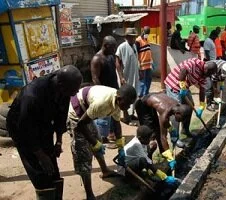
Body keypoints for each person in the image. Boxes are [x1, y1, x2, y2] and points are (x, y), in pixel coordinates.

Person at [6, 65, 82, 200]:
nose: (75, 93)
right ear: (61, 85)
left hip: (43, 125)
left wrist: (58, 141)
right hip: (21, 129)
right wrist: (40, 154)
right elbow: (25, 129)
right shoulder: (32, 95)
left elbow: (61, 116)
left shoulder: (64, 90)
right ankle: (44, 191)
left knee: (52, 170)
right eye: (73, 90)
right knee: (39, 171)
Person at [68, 84, 137, 200]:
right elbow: (81, 124)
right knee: (84, 155)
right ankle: (89, 194)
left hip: (88, 112)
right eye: (128, 103)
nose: (129, 106)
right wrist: (94, 143)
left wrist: (120, 145)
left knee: (98, 138)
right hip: (76, 114)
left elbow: (116, 123)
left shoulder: (117, 102)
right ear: (120, 99)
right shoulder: (102, 103)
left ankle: (105, 171)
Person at [164, 58, 218, 140]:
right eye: (208, 74)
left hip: (184, 87)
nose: (208, 76)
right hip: (174, 84)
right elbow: (183, 70)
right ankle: (175, 138)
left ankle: (185, 131)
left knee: (190, 106)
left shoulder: (204, 75)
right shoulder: (195, 63)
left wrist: (202, 106)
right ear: (206, 69)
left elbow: (202, 90)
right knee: (177, 110)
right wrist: (182, 85)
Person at [135, 92, 192, 168]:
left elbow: (165, 125)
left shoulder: (176, 105)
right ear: (178, 113)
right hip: (142, 106)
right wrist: (170, 158)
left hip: (150, 101)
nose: (180, 121)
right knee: (150, 135)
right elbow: (163, 137)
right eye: (181, 119)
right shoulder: (164, 112)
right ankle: (148, 161)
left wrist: (171, 130)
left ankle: (163, 152)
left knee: (157, 128)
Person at [90, 35, 119, 147]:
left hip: (114, 90)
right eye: (112, 47)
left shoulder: (110, 56)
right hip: (104, 93)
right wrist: (103, 94)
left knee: (113, 113)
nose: (114, 50)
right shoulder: (97, 59)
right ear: (105, 46)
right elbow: (95, 78)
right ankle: (102, 138)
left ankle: (111, 133)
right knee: (103, 116)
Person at [116, 28, 139, 125]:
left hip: (134, 74)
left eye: (135, 37)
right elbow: (117, 62)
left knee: (134, 95)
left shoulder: (134, 45)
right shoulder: (122, 46)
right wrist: (121, 77)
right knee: (125, 96)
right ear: (127, 37)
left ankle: (131, 113)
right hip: (126, 75)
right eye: (132, 37)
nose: (134, 39)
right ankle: (126, 118)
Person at [136, 26, 153, 98]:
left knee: (149, 79)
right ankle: (141, 95)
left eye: (148, 33)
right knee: (142, 81)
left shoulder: (147, 40)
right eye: (146, 33)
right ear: (143, 31)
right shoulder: (138, 40)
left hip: (149, 64)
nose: (147, 34)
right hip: (142, 65)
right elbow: (136, 53)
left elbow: (148, 51)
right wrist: (138, 65)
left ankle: (146, 94)